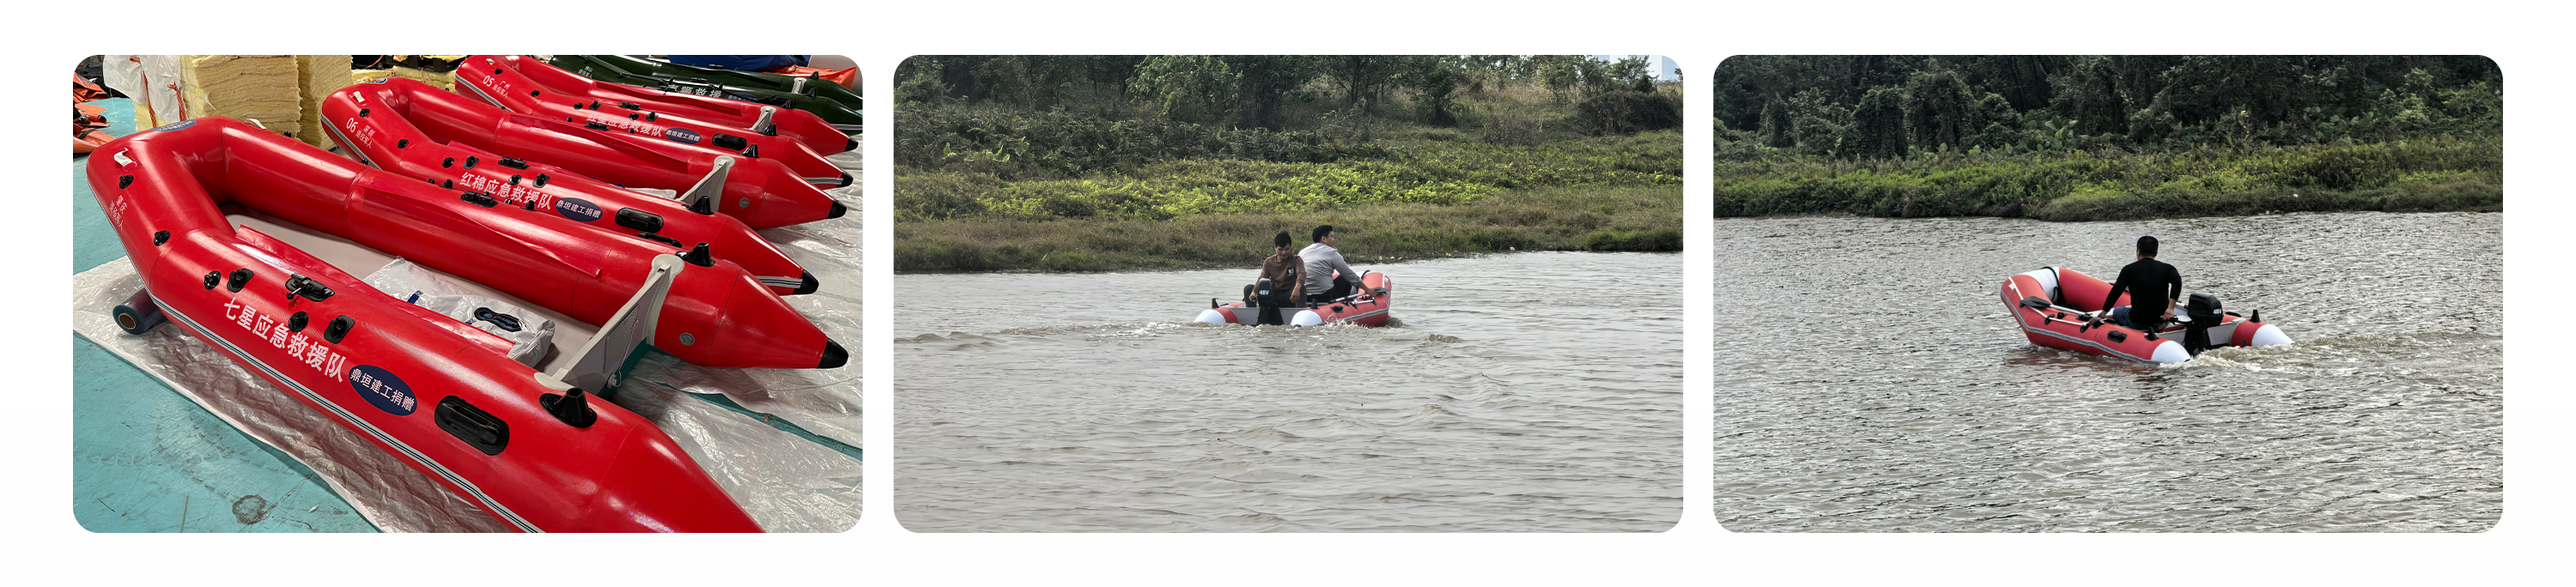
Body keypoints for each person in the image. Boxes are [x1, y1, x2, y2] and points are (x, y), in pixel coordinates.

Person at [2102, 235, 2183, 333]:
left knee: (2118, 310)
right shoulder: (2168, 268)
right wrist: (2170, 308)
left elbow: (2116, 291)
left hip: (2138, 323)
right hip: (2162, 322)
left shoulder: (2128, 269)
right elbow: (2177, 282)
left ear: (2138, 251)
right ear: (2156, 253)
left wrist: (2102, 315)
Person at [1243, 232, 1303, 311]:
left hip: (1290, 295)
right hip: (1274, 294)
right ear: (1275, 248)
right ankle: (1252, 315)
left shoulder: (1296, 260)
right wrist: (1254, 292)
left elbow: (1301, 274)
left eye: (1287, 249)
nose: (1284, 252)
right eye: (1280, 250)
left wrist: (1297, 288)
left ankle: (1300, 314)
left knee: (1302, 289)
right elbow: (1262, 279)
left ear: (1290, 248)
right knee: (1248, 289)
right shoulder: (1269, 262)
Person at [1300, 225, 1360, 303]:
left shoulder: (1302, 252)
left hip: (1305, 295)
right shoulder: (1331, 252)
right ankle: (1342, 305)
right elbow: (1349, 275)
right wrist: (1367, 289)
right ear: (1324, 238)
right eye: (1332, 237)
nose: (1334, 240)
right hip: (1324, 296)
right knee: (1344, 279)